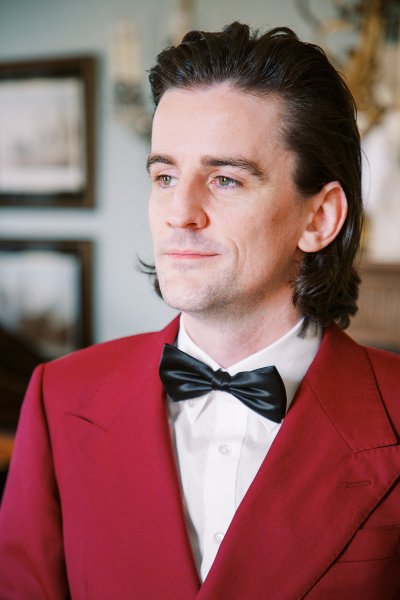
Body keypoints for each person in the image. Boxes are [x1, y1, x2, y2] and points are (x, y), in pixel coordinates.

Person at [0, 22, 399, 600]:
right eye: (164, 176)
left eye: (225, 179)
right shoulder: (58, 398)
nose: (179, 213)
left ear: (319, 219)